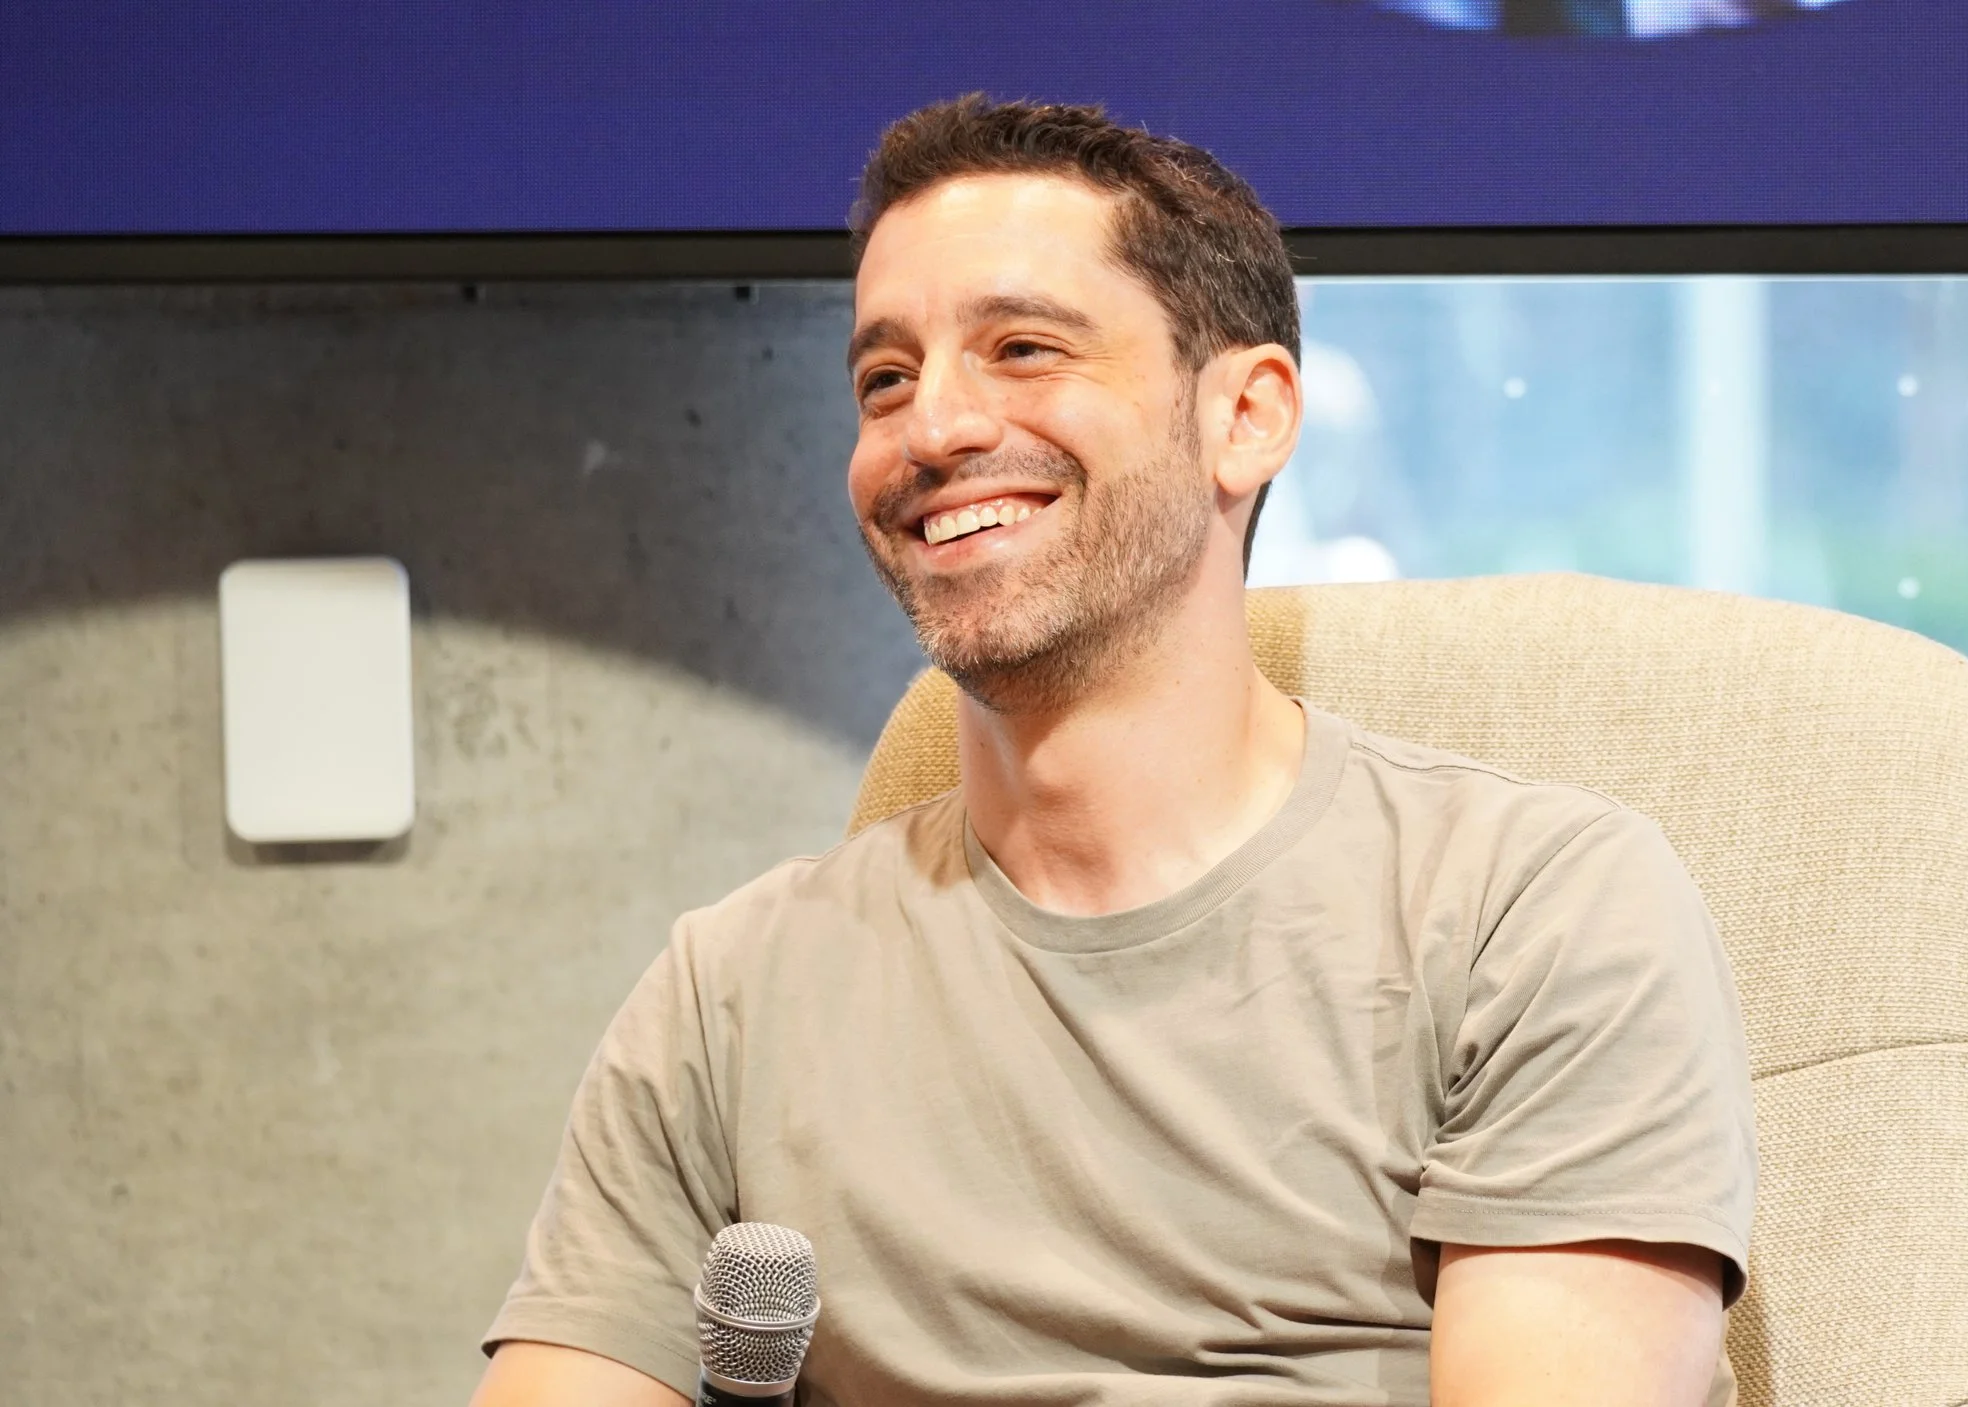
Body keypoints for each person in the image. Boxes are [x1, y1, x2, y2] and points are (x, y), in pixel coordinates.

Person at [470, 94, 1755, 1407]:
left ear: (1246, 416)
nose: (933, 429)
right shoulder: (730, 993)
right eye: (885, 378)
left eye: (1024, 348)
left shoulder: (1534, 912)